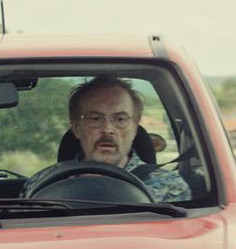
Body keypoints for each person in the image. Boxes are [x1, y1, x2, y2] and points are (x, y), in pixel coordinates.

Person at [24, 76, 191, 203]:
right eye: (95, 118)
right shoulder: (41, 185)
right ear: (76, 128)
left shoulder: (170, 187)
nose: (108, 129)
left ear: (134, 128)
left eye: (120, 119)